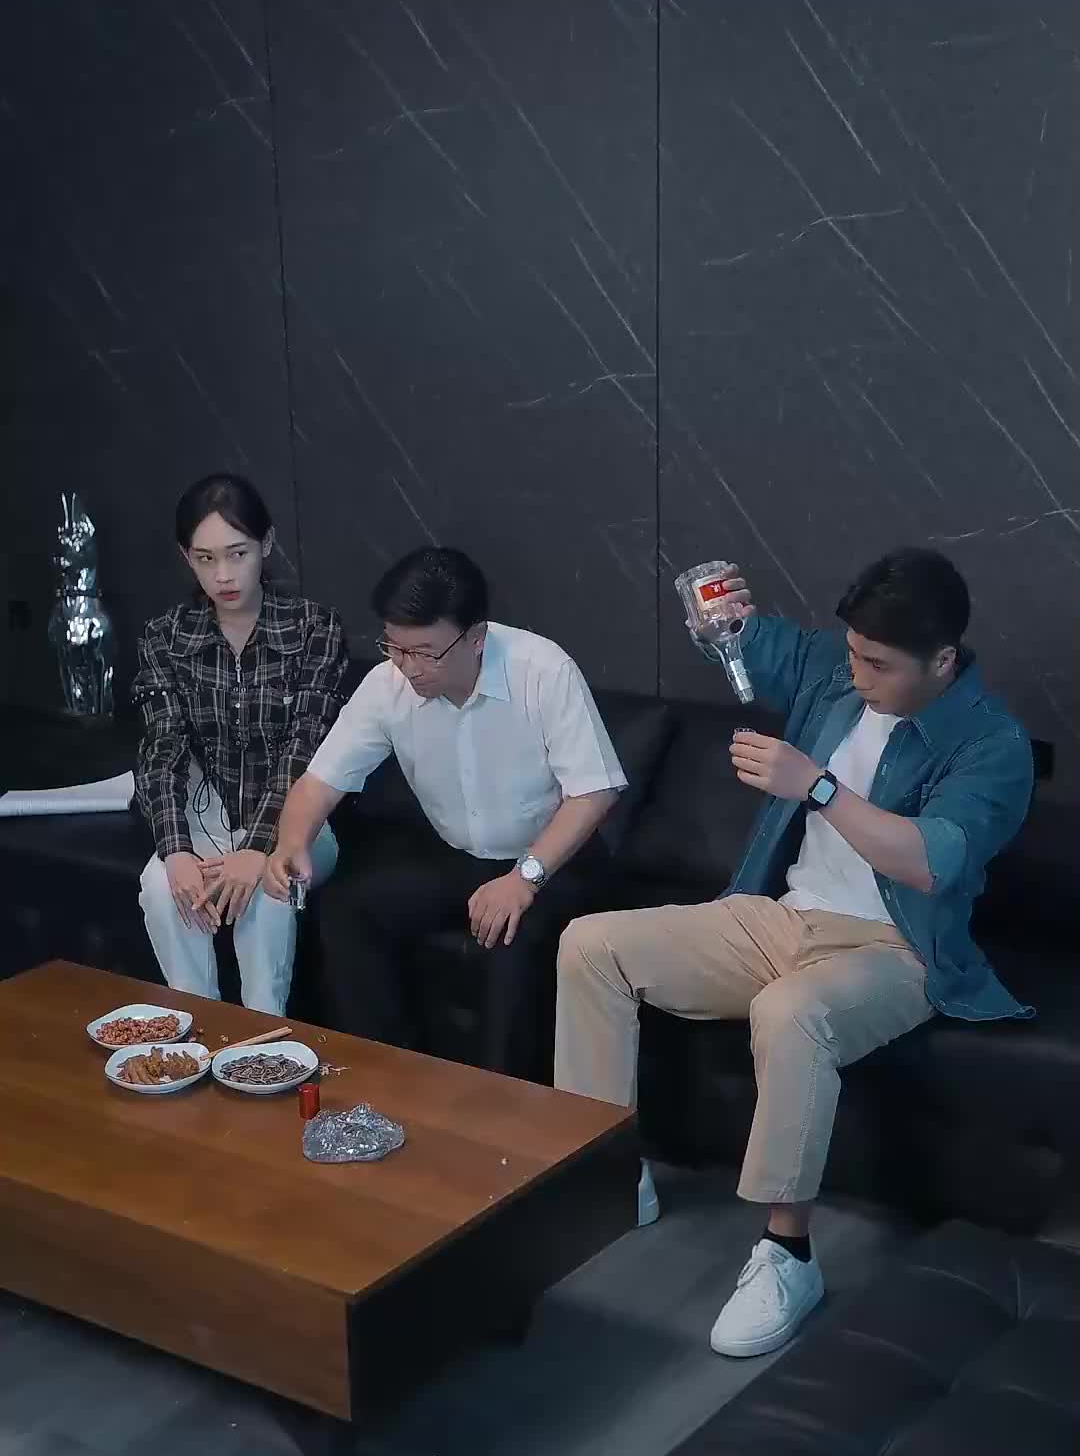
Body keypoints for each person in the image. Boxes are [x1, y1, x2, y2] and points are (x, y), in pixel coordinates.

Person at [554, 547, 1034, 1357]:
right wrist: (721, 620)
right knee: (591, 943)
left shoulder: (993, 744)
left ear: (943, 660)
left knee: (789, 1013)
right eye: (853, 654)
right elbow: (753, 643)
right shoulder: (837, 671)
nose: (858, 674)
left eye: (878, 664)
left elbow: (927, 861)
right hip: (783, 919)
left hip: (899, 950)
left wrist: (817, 786)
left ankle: (788, 1255)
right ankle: (608, 1177)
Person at [265, 546, 626, 1079]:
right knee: (347, 909)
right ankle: (391, 1078)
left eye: (425, 652)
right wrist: (291, 843)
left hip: (553, 863)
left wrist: (524, 878)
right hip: (457, 858)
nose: (408, 667)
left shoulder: (542, 670)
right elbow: (319, 781)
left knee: (512, 939)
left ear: (476, 637)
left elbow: (595, 793)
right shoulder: (388, 683)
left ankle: (502, 1106)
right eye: (395, 647)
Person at [133, 473, 347, 1015]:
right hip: (204, 818)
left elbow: (304, 747)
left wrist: (257, 847)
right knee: (161, 886)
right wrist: (175, 850)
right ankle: (193, 1029)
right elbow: (161, 748)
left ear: (266, 544)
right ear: (186, 557)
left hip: (298, 823)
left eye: (237, 554)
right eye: (205, 559)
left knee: (270, 887)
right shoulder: (166, 636)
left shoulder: (313, 628)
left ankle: (262, 1034)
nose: (223, 575)